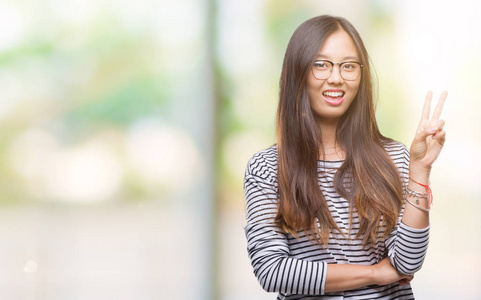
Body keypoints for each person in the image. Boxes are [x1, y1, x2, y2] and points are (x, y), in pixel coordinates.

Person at [243, 15, 446, 299]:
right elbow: (272, 270)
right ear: (298, 72)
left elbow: (408, 262)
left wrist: (420, 171)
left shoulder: (392, 157)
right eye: (321, 64)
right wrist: (375, 273)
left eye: (348, 66)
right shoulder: (268, 168)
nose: (336, 77)